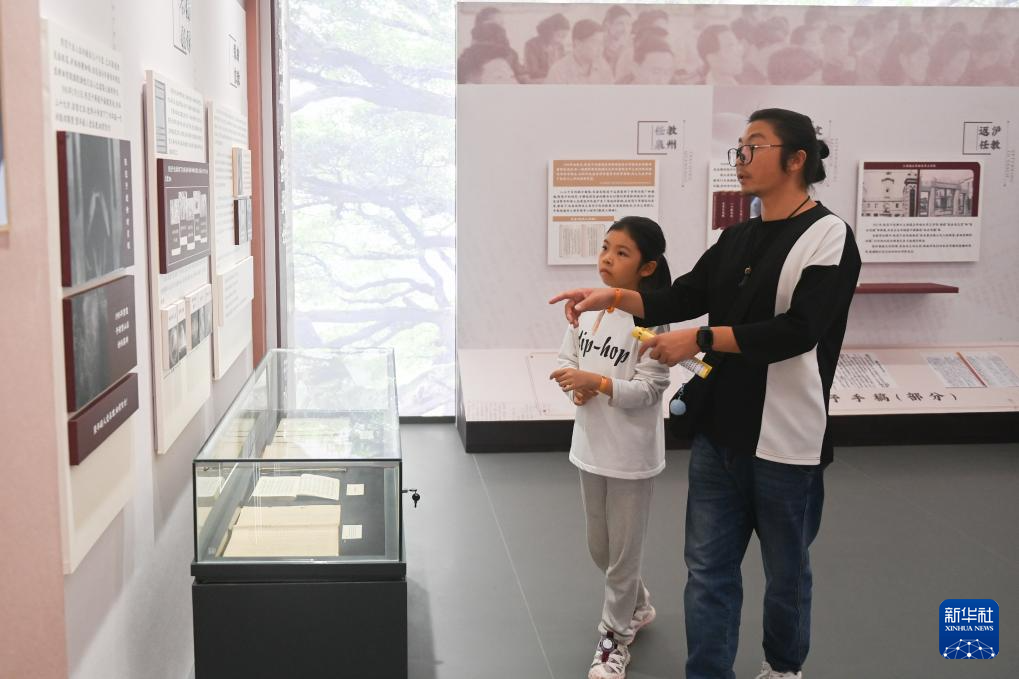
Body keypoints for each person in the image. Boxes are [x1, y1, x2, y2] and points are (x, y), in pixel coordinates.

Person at [551, 108, 861, 679]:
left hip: (786, 439)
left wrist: (698, 339)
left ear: (796, 160)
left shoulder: (827, 236)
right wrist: (611, 297)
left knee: (786, 571)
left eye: (754, 147)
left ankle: (782, 667)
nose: (740, 159)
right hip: (719, 433)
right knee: (707, 571)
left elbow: (799, 331)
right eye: (738, 148)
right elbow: (681, 296)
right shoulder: (737, 236)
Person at [550, 217, 672, 679]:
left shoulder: (649, 322)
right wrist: (575, 387)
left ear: (647, 267)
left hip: (630, 458)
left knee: (623, 556)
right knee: (601, 550)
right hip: (590, 449)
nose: (607, 258)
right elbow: (568, 359)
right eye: (605, 248)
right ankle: (638, 605)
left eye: (622, 253)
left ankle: (613, 640)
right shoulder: (588, 310)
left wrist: (597, 383)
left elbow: (651, 390)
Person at [545, 19, 614, 85]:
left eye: (601, 43)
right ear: (577, 43)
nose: (600, 48)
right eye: (595, 42)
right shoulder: (558, 71)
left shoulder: (603, 65)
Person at [524, 13, 570, 82]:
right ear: (549, 32)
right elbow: (533, 72)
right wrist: (556, 73)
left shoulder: (560, 46)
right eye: (559, 35)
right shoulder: (531, 45)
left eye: (564, 37)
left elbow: (563, 67)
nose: (561, 40)